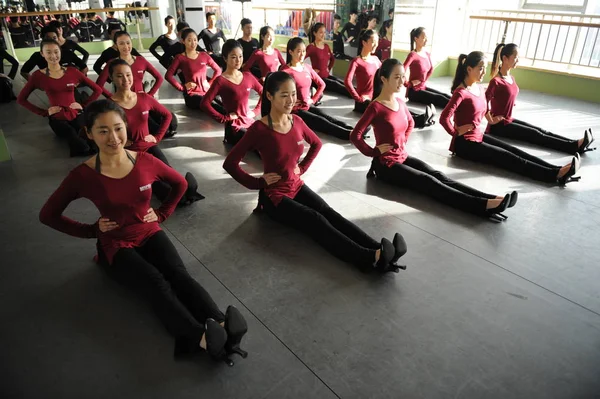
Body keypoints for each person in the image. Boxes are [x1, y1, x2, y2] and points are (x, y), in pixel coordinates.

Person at [39, 99, 248, 364]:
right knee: (156, 282)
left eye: (118, 128)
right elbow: (47, 215)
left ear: (126, 127)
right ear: (89, 134)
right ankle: (201, 339)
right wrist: (91, 231)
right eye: (103, 131)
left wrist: (162, 213)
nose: (113, 137)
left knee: (178, 275)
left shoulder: (145, 160)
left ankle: (219, 321)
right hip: (116, 244)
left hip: (148, 230)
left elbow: (180, 184)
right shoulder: (83, 175)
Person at [223, 71, 407, 274]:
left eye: (293, 94)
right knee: (314, 219)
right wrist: (258, 183)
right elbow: (230, 163)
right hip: (274, 198)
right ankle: (368, 257)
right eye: (284, 95)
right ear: (269, 96)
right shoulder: (259, 129)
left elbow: (317, 144)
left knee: (329, 213)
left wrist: (301, 168)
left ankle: (379, 248)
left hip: (296, 185)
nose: (291, 100)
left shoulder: (297, 121)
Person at [352, 59, 515, 221]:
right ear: (384, 79)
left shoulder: (400, 102)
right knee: (428, 181)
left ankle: (491, 198)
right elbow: (355, 135)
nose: (402, 81)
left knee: (438, 175)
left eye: (403, 76)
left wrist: (401, 142)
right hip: (387, 165)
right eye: (397, 77)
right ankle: (482, 205)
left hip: (401, 156)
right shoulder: (375, 107)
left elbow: (411, 123)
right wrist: (374, 151)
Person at [440, 51, 581, 186]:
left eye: (485, 68)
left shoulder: (479, 88)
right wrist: (455, 132)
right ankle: (554, 175)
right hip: (465, 145)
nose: (484, 72)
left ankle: (555, 168)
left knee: (514, 151)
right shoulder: (461, 93)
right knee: (509, 158)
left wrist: (491, 119)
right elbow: (444, 118)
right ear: (469, 69)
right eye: (480, 69)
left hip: (478, 136)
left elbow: (481, 108)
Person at [108, 60, 203, 204]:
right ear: (112, 78)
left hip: (149, 146)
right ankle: (181, 195)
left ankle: (185, 191)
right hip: (129, 154)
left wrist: (157, 137)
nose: (125, 80)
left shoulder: (143, 98)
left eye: (128, 75)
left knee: (170, 175)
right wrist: (119, 143)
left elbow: (168, 115)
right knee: (158, 184)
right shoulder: (109, 106)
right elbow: (101, 130)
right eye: (119, 76)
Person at [486, 43, 594, 154]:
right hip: (499, 126)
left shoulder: (511, 78)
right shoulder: (496, 81)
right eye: (515, 57)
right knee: (536, 134)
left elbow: (507, 95)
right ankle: (573, 146)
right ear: (505, 58)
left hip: (508, 119)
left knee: (541, 131)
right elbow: (484, 100)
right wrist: (491, 119)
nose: (518, 60)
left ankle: (575, 143)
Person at [17, 39, 103, 156]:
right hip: (58, 119)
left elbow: (98, 89)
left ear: (60, 52)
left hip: (76, 114)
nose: (53, 56)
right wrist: (45, 112)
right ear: (42, 54)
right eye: (49, 52)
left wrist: (83, 105)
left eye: (56, 52)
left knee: (92, 141)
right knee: (75, 139)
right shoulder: (38, 76)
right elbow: (21, 99)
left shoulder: (73, 72)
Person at [345, 30, 434, 128]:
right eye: (373, 42)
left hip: (377, 97)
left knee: (397, 105)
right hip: (365, 102)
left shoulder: (375, 60)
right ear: (364, 42)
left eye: (377, 42)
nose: (376, 45)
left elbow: (387, 74)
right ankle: (420, 120)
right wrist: (358, 98)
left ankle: (421, 117)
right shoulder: (357, 61)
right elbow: (347, 81)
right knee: (390, 111)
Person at [281, 37, 355, 140]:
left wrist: (313, 100)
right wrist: (290, 103)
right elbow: (279, 93)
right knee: (321, 122)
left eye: (303, 51)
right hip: (295, 111)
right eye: (298, 51)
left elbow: (322, 84)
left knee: (328, 117)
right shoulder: (285, 71)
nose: (302, 54)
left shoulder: (307, 67)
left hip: (308, 105)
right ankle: (350, 135)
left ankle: (354, 130)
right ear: (290, 52)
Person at [201, 40, 262, 145]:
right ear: (225, 58)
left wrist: (255, 111)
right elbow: (204, 103)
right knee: (259, 142)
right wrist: (224, 118)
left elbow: (264, 93)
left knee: (268, 138)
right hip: (234, 127)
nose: (238, 60)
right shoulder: (220, 81)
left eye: (240, 56)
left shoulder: (247, 76)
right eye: (233, 57)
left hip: (249, 121)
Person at [165, 28, 225, 113]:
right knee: (210, 104)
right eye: (189, 40)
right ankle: (229, 116)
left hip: (206, 91)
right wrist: (183, 87)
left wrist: (210, 83)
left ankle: (235, 113)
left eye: (195, 40)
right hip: (192, 95)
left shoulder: (204, 55)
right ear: (183, 41)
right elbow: (168, 76)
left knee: (222, 99)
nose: (193, 43)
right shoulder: (180, 57)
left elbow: (218, 70)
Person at [96, 31, 164, 98]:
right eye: (121, 43)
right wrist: (111, 97)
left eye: (128, 43)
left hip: (140, 101)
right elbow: (99, 84)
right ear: (116, 46)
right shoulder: (112, 63)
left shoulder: (141, 60)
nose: (126, 46)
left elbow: (159, 78)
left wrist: (149, 95)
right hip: (122, 103)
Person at [404, 27, 451, 109]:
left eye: (427, 38)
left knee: (445, 95)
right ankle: (462, 108)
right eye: (424, 37)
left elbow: (430, 70)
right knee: (440, 99)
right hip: (414, 92)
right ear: (416, 39)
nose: (426, 40)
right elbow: (401, 70)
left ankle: (464, 105)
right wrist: (408, 84)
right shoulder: (413, 55)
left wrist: (423, 81)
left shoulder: (427, 54)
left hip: (423, 87)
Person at [21, 26, 88, 81]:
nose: (52, 40)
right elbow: (24, 71)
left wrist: (76, 82)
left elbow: (84, 68)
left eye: (54, 38)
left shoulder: (67, 53)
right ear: (42, 39)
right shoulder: (37, 56)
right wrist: (37, 85)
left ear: (57, 38)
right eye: (48, 38)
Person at [306, 23, 351, 98]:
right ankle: (358, 96)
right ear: (314, 33)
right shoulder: (311, 47)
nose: (323, 35)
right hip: (318, 79)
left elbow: (332, 59)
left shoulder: (326, 46)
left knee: (342, 82)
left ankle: (359, 92)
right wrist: (310, 71)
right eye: (321, 32)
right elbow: (299, 61)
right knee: (337, 85)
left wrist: (328, 69)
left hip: (327, 75)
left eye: (324, 32)